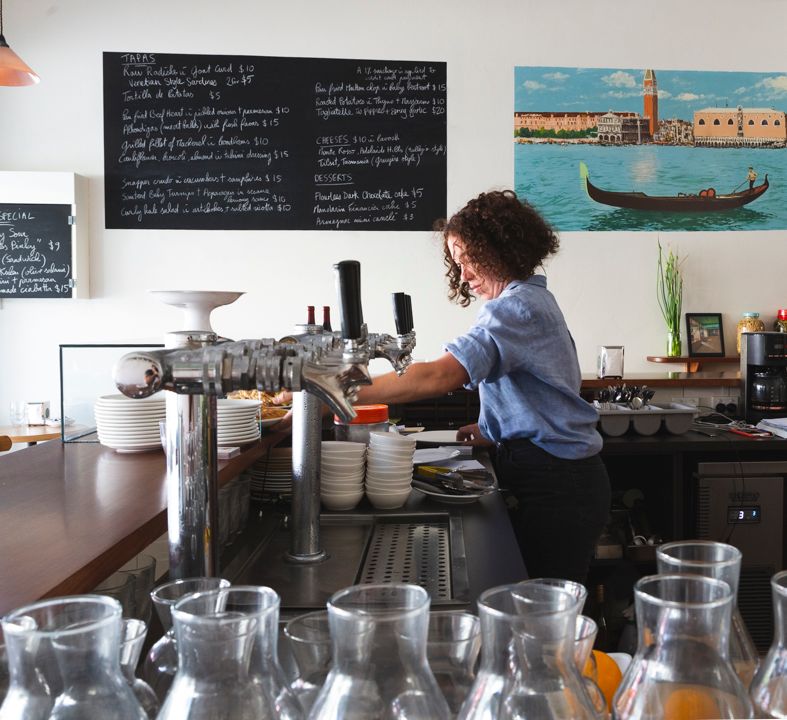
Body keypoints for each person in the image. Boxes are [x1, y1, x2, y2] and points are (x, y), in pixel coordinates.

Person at [296, 190, 610, 583]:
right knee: (538, 603)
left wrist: (337, 390)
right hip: (559, 475)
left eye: (466, 260)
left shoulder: (516, 307)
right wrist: (495, 428)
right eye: (457, 264)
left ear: (497, 249)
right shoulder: (531, 300)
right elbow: (543, 389)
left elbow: (439, 376)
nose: (462, 275)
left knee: (545, 612)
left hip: (558, 483)